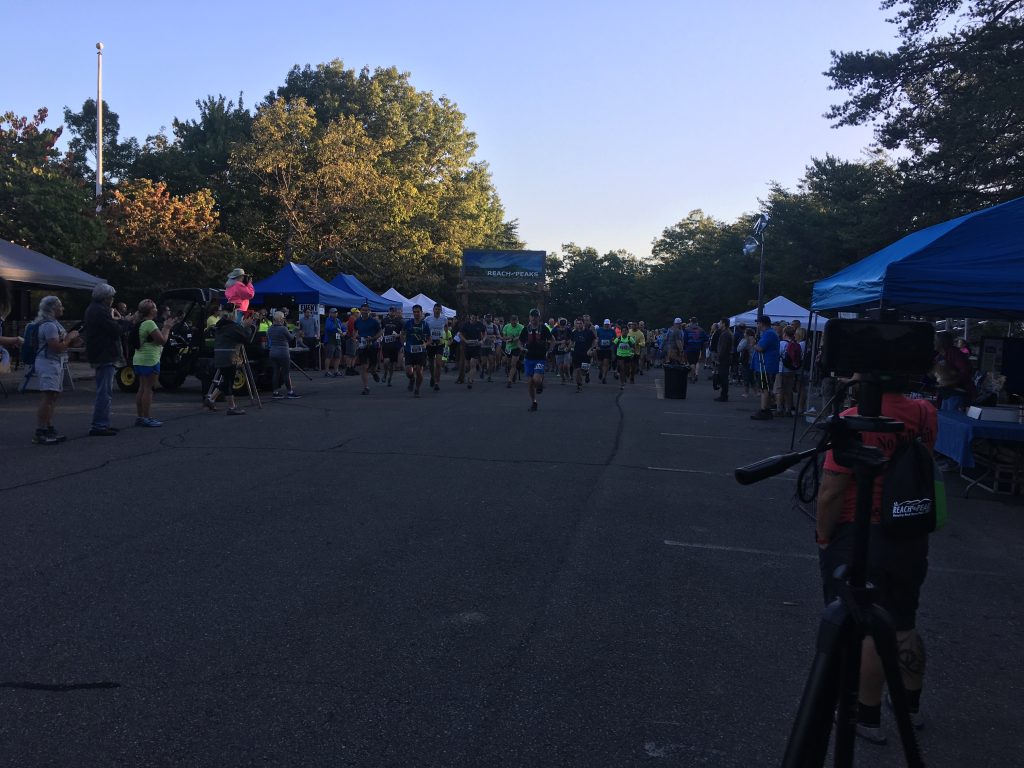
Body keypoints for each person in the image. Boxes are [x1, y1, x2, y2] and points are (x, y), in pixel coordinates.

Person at [816, 376, 937, 744]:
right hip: (908, 528)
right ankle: (910, 706)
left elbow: (831, 491)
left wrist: (823, 537)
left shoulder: (853, 419)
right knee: (903, 621)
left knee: (866, 624)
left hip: (861, 530)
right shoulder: (924, 413)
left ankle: (865, 714)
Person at [30, 296, 78, 444]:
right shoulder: (49, 326)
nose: (62, 308)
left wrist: (73, 339)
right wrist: (69, 338)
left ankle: (49, 427)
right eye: (60, 306)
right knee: (48, 397)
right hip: (48, 363)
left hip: (54, 363)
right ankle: (41, 431)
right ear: (52, 309)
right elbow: (56, 347)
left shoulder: (54, 324)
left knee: (53, 397)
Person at [83, 283, 128, 436]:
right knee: (104, 392)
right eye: (111, 297)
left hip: (99, 353)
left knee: (104, 391)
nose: (112, 300)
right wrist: (125, 322)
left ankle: (103, 423)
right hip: (104, 354)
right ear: (105, 298)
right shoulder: (100, 311)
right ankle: (99, 424)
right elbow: (115, 330)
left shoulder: (93, 309)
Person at [131, 299, 177, 427]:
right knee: (148, 389)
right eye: (155, 307)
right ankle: (146, 418)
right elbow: (162, 340)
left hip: (139, 359)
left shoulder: (139, 322)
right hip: (150, 359)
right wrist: (167, 327)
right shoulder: (150, 323)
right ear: (150, 310)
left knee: (142, 388)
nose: (157, 309)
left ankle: (140, 417)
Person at [204, 306, 254, 415]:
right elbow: (247, 338)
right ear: (232, 316)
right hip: (229, 355)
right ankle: (232, 407)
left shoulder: (220, 327)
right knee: (229, 382)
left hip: (220, 355)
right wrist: (247, 327)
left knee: (226, 379)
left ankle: (211, 399)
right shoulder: (233, 327)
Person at [520, 308, 553, 411]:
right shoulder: (526, 329)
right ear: (529, 317)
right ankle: (534, 402)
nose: (534, 318)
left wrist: (550, 350)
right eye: (532, 316)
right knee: (530, 383)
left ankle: (540, 382)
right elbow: (520, 341)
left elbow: (553, 340)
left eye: (536, 316)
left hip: (540, 358)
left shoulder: (543, 328)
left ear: (539, 317)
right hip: (529, 358)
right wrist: (521, 348)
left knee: (536, 379)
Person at [750, 315, 780, 420]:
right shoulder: (769, 333)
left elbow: (760, 348)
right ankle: (766, 408)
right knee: (765, 388)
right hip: (765, 365)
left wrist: (753, 344)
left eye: (758, 323)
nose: (757, 325)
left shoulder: (769, 334)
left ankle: (764, 410)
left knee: (764, 388)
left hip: (765, 366)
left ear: (762, 323)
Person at [268, 311, 301, 400]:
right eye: (283, 318)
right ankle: (290, 392)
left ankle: (275, 392)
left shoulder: (270, 328)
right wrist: (295, 331)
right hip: (283, 352)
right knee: (286, 373)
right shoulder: (283, 329)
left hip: (273, 352)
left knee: (276, 372)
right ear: (281, 319)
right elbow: (290, 338)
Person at [402, 304, 431, 397]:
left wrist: (425, 344)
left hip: (420, 351)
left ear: (421, 312)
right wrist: (403, 344)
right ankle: (411, 379)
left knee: (419, 371)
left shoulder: (425, 324)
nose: (416, 313)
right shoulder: (408, 323)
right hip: (409, 350)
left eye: (418, 312)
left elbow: (430, 339)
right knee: (408, 371)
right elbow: (402, 334)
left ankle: (417, 389)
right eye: (414, 312)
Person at [354, 303, 382, 395]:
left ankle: (373, 372)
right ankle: (366, 387)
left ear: (369, 311)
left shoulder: (374, 321)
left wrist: (373, 338)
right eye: (363, 310)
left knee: (372, 366)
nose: (365, 312)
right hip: (362, 346)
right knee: (364, 367)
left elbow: (380, 332)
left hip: (372, 346)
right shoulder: (357, 321)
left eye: (366, 310)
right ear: (360, 310)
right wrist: (356, 338)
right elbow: (355, 331)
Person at [425, 303, 448, 391]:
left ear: (441, 310)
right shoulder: (428, 319)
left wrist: (445, 338)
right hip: (431, 343)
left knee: (438, 364)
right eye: (436, 309)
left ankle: (436, 382)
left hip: (440, 343)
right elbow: (425, 330)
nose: (437, 311)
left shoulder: (444, 319)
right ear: (433, 310)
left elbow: (446, 328)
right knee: (431, 364)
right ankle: (432, 376)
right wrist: (427, 340)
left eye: (439, 309)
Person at [460, 312, 486, 389]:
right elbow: (460, 334)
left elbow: (485, 333)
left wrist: (483, 340)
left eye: (475, 318)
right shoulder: (466, 324)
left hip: (476, 346)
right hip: (467, 346)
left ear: (477, 318)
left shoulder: (480, 324)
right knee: (467, 365)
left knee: (473, 364)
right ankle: (470, 375)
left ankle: (470, 380)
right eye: (472, 318)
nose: (474, 319)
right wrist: (465, 340)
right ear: (470, 317)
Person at [570, 317, 597, 393]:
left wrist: (591, 349)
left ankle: (587, 373)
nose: (579, 325)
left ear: (583, 324)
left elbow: (595, 340)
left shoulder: (588, 332)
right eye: (577, 323)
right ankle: (579, 385)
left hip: (586, 355)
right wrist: (568, 348)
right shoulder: (574, 332)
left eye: (580, 323)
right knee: (577, 371)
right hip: (576, 354)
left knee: (583, 372)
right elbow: (571, 342)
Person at [380, 305, 405, 386]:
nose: (392, 312)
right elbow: (381, 330)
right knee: (386, 361)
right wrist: (380, 339)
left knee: (392, 364)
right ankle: (385, 374)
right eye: (390, 311)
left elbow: (402, 333)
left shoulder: (399, 321)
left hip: (394, 344)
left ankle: (389, 379)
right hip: (386, 344)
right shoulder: (384, 320)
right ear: (388, 311)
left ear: (396, 312)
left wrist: (401, 343)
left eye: (393, 311)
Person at [714, 318, 734, 403]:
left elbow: (723, 348)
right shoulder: (728, 333)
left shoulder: (725, 334)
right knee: (723, 377)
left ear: (724, 324)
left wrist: (719, 358)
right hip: (726, 358)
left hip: (724, 359)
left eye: (720, 323)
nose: (719, 324)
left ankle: (724, 395)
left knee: (723, 377)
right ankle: (723, 394)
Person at [502, 313, 524, 387]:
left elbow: (521, 336)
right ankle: (513, 372)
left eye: (515, 321)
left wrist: (513, 339)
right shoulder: (506, 326)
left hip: (517, 347)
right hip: (508, 347)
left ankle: (509, 380)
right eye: (512, 321)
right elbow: (504, 336)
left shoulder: (521, 327)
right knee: (507, 363)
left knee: (513, 364)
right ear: (510, 321)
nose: (514, 323)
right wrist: (508, 339)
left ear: (517, 321)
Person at [683, 318, 708, 383]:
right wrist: (701, 345)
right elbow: (706, 339)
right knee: (695, 362)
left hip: (690, 349)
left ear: (691, 322)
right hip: (697, 349)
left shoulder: (687, 329)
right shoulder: (701, 330)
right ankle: (693, 376)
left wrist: (684, 347)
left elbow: (685, 340)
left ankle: (693, 377)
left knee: (691, 363)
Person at [322, 308, 345, 377]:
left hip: (337, 341)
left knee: (338, 356)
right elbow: (329, 327)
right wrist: (338, 330)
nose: (335, 314)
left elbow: (343, 327)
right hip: (330, 341)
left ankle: (336, 371)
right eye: (333, 312)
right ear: (330, 313)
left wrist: (344, 332)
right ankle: (327, 371)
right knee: (329, 356)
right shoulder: (328, 320)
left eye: (336, 312)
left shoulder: (338, 320)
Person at [595, 319, 617, 383]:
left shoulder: (612, 331)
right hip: (600, 349)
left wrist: (613, 347)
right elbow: (596, 338)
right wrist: (596, 346)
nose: (607, 325)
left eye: (608, 324)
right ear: (603, 324)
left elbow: (615, 340)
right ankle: (601, 372)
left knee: (606, 364)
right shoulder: (599, 330)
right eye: (605, 324)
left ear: (609, 324)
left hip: (608, 349)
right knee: (599, 364)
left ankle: (604, 377)